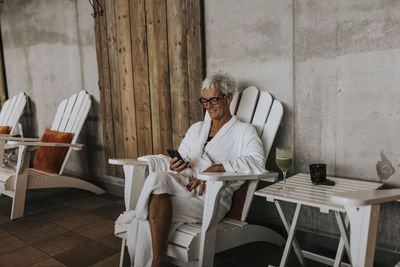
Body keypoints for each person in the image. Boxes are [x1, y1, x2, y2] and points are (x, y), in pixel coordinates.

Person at [118, 73, 266, 267]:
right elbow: (182, 158)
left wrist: (217, 168)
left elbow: (257, 162)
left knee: (146, 216)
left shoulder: (244, 131)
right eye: (204, 101)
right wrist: (176, 164)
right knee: (158, 177)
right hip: (184, 186)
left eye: (214, 99)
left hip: (211, 197)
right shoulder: (197, 129)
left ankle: (154, 255)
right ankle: (158, 260)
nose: (209, 106)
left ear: (229, 97)